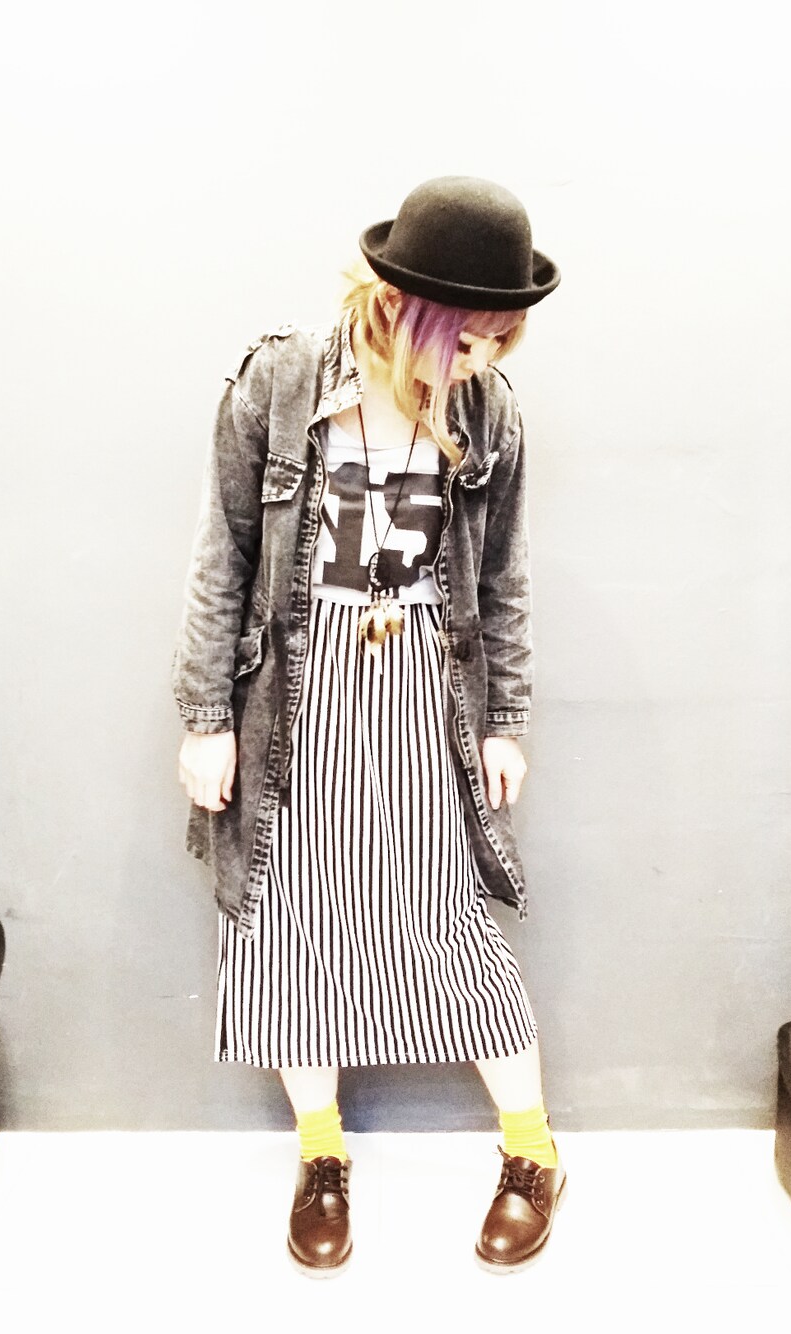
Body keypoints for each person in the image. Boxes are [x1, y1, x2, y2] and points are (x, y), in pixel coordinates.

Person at [173, 176, 563, 1276]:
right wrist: (206, 718)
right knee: (285, 923)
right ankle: (322, 1152)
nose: (480, 361)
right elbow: (223, 555)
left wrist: (505, 720)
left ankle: (533, 1152)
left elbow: (502, 579)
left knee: (448, 918)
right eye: (468, 338)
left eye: (499, 340)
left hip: (427, 689)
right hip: (293, 692)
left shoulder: (490, 413)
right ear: (400, 306)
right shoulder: (280, 381)